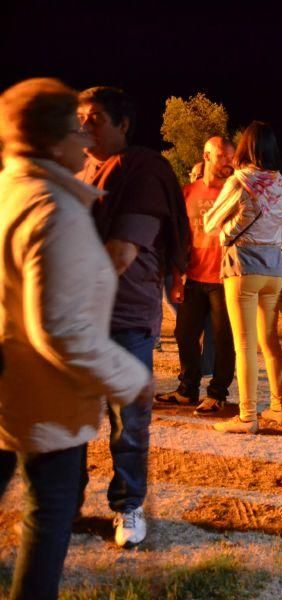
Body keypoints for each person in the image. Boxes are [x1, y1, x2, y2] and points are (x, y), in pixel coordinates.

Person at [0, 77, 150, 600]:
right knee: (50, 513)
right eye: (75, 129)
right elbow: (59, 328)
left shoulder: (12, 189)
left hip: (11, 382)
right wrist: (130, 378)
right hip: (44, 393)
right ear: (52, 138)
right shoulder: (53, 210)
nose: (85, 141)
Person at [77, 85, 190, 548]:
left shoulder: (141, 169)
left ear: (123, 125)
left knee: (128, 421)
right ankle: (63, 504)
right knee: (71, 420)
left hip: (124, 315)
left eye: (96, 117)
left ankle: (128, 506)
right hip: (76, 318)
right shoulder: (78, 168)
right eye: (80, 116)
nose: (84, 125)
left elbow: (121, 253)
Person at [203, 121, 282, 433]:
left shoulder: (240, 181)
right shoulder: (280, 182)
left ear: (245, 147)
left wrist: (224, 226)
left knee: (244, 344)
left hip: (243, 266)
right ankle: (278, 406)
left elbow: (211, 223)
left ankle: (247, 416)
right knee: (270, 341)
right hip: (273, 268)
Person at [155, 136, 237, 416]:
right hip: (196, 276)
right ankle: (187, 389)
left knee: (224, 337)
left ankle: (217, 393)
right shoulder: (187, 193)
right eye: (224, 157)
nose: (230, 162)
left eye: (232, 157)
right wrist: (177, 277)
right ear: (207, 156)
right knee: (184, 333)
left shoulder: (235, 191)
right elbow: (180, 239)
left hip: (226, 278)